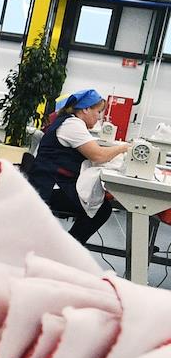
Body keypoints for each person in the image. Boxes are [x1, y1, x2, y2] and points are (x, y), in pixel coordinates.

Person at [27, 88, 131, 245]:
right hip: (49, 188)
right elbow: (98, 156)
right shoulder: (72, 125)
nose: (99, 117)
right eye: (98, 112)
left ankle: (66, 247)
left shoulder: (69, 122)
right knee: (101, 210)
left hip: (46, 181)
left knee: (99, 206)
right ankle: (67, 249)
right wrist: (123, 148)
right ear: (85, 109)